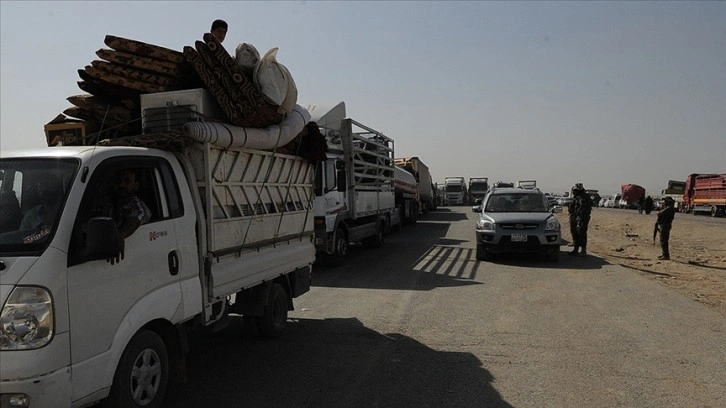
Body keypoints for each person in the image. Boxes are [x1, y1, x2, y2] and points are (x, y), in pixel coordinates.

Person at [104, 169, 152, 264]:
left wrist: (120, 235)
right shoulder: (109, 205)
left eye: (127, 181)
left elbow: (136, 219)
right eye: (118, 181)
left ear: (136, 185)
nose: (121, 185)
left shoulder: (139, 208)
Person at [20, 174, 65, 244]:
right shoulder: (31, 215)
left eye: (46, 183)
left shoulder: (66, 211)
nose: (43, 188)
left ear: (56, 187)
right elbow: (21, 239)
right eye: (40, 184)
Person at [568, 183, 592, 256]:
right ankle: (576, 249)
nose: (573, 191)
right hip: (575, 217)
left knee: (581, 233)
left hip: (581, 218)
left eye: (575, 190)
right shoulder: (577, 197)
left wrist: (580, 219)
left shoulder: (583, 198)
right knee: (575, 233)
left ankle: (583, 250)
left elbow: (582, 209)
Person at [656, 196, 676, 260]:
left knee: (663, 240)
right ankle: (664, 254)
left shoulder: (668, 208)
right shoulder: (670, 208)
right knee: (664, 240)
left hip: (665, 226)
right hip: (665, 225)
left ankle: (665, 255)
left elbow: (659, 213)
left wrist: (659, 210)